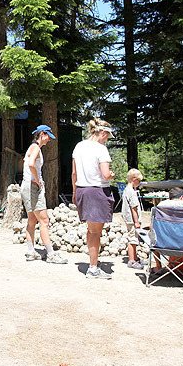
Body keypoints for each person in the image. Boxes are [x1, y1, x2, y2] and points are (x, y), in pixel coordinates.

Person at [71, 118, 115, 279]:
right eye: (107, 136)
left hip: (82, 190)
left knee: (90, 230)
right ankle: (93, 268)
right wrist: (111, 175)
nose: (107, 139)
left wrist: (75, 192)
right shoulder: (101, 149)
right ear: (102, 133)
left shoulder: (79, 146)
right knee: (96, 232)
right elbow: (105, 174)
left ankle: (93, 262)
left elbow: (74, 173)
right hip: (97, 192)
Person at [21, 125, 68, 264]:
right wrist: (37, 180)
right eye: (48, 137)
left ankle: (31, 252)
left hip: (26, 187)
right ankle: (51, 254)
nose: (49, 140)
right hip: (32, 187)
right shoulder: (35, 147)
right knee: (44, 221)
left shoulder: (33, 147)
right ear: (42, 134)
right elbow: (30, 164)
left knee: (32, 220)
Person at [121, 168, 145, 270]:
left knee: (133, 237)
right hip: (132, 220)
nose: (139, 183)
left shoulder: (126, 190)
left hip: (128, 219)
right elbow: (133, 208)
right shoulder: (131, 192)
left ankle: (135, 257)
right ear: (134, 179)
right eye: (139, 181)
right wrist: (136, 222)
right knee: (133, 239)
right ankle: (132, 260)